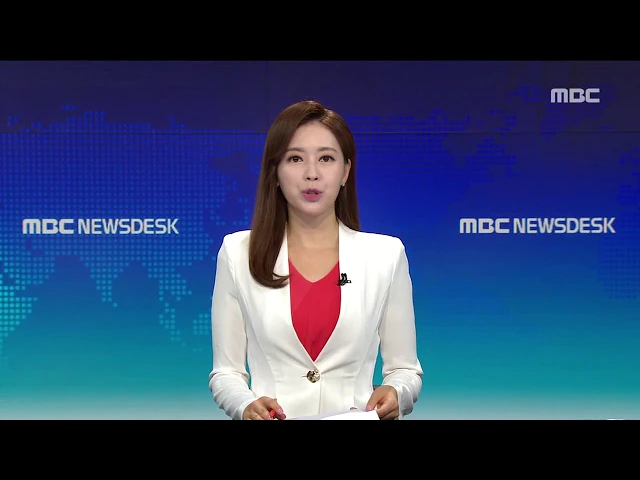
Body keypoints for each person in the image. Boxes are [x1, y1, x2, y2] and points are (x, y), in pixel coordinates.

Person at [208, 100, 423, 420]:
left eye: (326, 158)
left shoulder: (386, 256)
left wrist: (397, 392)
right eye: (295, 158)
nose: (312, 174)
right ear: (275, 172)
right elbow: (226, 373)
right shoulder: (238, 252)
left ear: (345, 171)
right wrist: (244, 405)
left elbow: (405, 370)